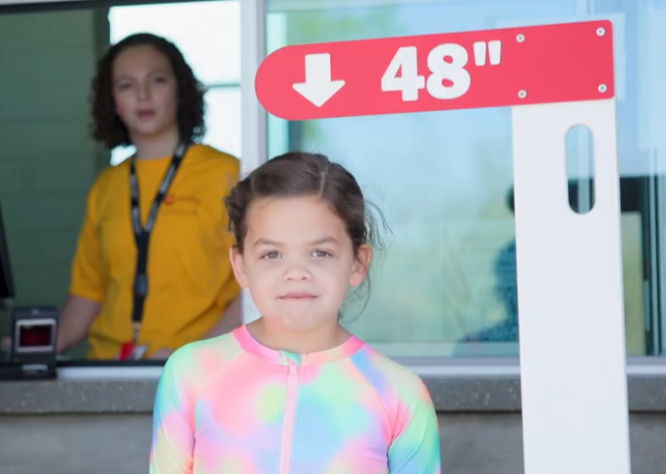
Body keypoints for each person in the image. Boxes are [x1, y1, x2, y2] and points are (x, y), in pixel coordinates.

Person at [148, 152, 442, 474]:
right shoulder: (191, 374)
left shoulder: (399, 395)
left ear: (357, 263)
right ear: (241, 266)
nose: (296, 272)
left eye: (320, 252)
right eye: (272, 254)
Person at [58, 33, 242, 360]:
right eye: (126, 85)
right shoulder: (106, 186)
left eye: (157, 80)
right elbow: (88, 293)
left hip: (192, 369)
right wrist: (30, 350)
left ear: (180, 89)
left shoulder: (228, 174)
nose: (142, 95)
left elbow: (257, 291)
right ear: (113, 100)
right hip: (107, 367)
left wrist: (195, 359)